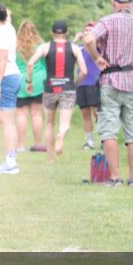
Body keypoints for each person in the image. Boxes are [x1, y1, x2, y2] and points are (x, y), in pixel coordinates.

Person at [83, 0, 133, 186]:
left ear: (114, 2)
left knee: (109, 130)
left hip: (111, 79)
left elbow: (89, 39)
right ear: (131, 3)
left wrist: (97, 57)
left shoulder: (108, 20)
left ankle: (115, 177)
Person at [25, 20, 87, 163]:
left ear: (52, 33)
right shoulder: (74, 48)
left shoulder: (45, 47)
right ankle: (61, 134)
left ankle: (50, 157)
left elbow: (30, 64)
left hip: (50, 89)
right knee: (64, 123)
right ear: (67, 33)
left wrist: (29, 82)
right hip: (68, 89)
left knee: (50, 123)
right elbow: (84, 71)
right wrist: (76, 83)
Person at [0, 3, 22, 174]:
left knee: (6, 122)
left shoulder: (1, 32)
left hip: (6, 78)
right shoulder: (9, 29)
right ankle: (10, 159)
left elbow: (3, 58)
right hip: (9, 75)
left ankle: (11, 162)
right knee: (6, 121)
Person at [15, 20, 46, 152]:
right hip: (38, 80)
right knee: (37, 114)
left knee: (21, 114)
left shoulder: (15, 46)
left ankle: (21, 145)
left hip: (21, 80)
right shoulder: (41, 45)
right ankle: (37, 144)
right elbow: (46, 63)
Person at [74, 22, 102, 149]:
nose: (87, 32)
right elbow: (68, 52)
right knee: (85, 114)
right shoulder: (79, 48)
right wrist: (76, 38)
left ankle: (103, 140)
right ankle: (90, 142)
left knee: (97, 114)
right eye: (85, 30)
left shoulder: (99, 47)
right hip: (82, 84)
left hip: (94, 83)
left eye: (90, 30)